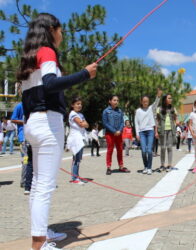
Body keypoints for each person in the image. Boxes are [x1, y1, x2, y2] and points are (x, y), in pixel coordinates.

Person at [17, 13, 97, 250]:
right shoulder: (47, 51)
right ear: (52, 29)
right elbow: (51, 84)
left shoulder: (29, 58)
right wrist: (84, 74)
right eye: (61, 30)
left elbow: (36, 89)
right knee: (44, 185)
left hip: (34, 123)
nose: (62, 35)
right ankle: (40, 243)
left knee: (38, 184)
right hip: (48, 123)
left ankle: (41, 233)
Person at [135, 89, 161, 174]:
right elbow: (136, 123)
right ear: (141, 102)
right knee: (143, 151)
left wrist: (158, 96)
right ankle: (145, 166)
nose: (146, 103)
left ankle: (149, 167)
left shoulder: (151, 108)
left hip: (150, 131)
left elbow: (156, 103)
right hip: (142, 132)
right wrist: (137, 133)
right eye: (144, 101)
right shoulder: (138, 111)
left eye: (147, 101)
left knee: (149, 150)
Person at [102, 95, 130, 175]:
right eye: (114, 100)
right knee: (110, 150)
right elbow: (105, 123)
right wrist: (114, 131)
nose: (116, 102)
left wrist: (120, 130)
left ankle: (121, 166)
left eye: (117, 100)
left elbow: (122, 122)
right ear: (110, 101)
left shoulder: (120, 111)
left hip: (119, 134)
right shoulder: (106, 111)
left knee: (120, 150)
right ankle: (109, 167)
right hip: (110, 134)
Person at [66, 97, 89, 184]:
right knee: (76, 158)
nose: (79, 105)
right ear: (72, 105)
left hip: (81, 138)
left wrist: (84, 124)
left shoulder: (81, 114)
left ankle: (76, 176)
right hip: (75, 138)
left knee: (79, 159)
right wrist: (84, 124)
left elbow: (87, 125)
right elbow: (81, 124)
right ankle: (74, 178)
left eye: (80, 104)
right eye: (77, 104)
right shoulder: (72, 114)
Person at [157, 94, 178, 172]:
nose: (171, 99)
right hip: (162, 130)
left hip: (170, 130)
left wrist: (176, 128)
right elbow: (157, 121)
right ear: (165, 99)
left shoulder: (173, 109)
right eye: (169, 98)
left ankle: (169, 165)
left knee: (169, 147)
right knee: (162, 148)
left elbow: (176, 119)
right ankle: (162, 165)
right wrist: (156, 131)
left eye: (171, 98)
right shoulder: (159, 109)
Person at [10, 102, 28, 188]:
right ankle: (24, 181)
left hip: (34, 137)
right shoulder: (20, 105)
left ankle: (32, 181)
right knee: (26, 159)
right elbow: (13, 119)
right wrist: (24, 122)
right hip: (23, 137)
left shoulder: (35, 105)